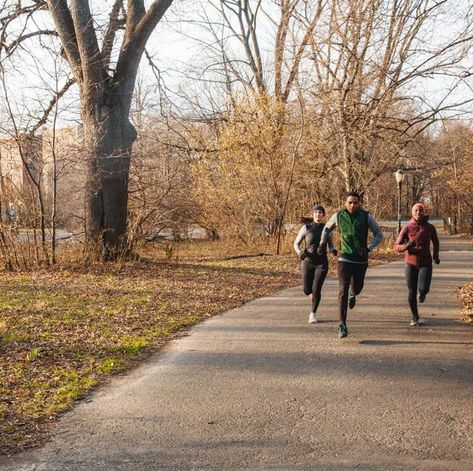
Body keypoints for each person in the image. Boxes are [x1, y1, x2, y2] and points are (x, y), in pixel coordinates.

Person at [318, 192, 384, 338]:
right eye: (350, 202)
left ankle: (353, 294)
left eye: (355, 202)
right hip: (344, 258)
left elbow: (379, 235)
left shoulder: (366, 216)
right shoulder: (338, 216)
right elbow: (326, 229)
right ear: (345, 203)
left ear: (359, 203)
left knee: (358, 288)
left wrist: (368, 248)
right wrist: (323, 243)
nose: (352, 205)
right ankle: (342, 325)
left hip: (361, 259)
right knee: (342, 289)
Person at [394, 203, 440, 326]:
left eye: (420, 210)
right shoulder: (407, 227)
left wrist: (436, 255)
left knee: (424, 288)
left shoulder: (430, 227)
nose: (418, 212)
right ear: (412, 212)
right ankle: (415, 317)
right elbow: (397, 245)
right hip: (410, 263)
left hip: (425, 263)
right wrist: (405, 246)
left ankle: (423, 292)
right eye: (415, 210)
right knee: (411, 292)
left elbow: (435, 242)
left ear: (424, 212)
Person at [294, 204, 337, 324]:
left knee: (316, 289)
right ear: (313, 214)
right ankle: (310, 294)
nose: (318, 214)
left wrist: (333, 250)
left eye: (320, 212)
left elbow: (331, 244)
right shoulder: (306, 228)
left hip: (322, 263)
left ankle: (313, 314)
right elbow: (296, 243)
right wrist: (300, 253)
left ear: (323, 215)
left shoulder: (327, 229)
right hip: (307, 262)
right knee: (307, 290)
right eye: (316, 212)